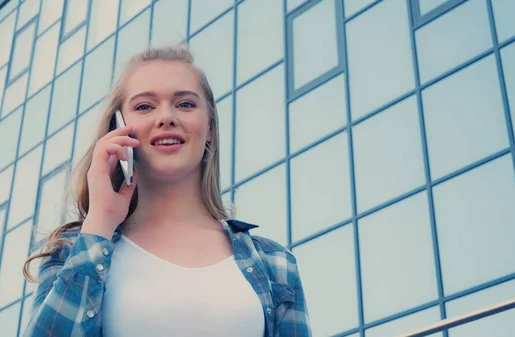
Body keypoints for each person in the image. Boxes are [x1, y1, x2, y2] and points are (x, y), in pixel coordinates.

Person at [22, 44, 311, 337]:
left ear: (209, 126)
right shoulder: (74, 251)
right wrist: (99, 224)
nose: (167, 117)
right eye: (144, 106)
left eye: (185, 104)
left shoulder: (275, 262)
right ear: (118, 127)